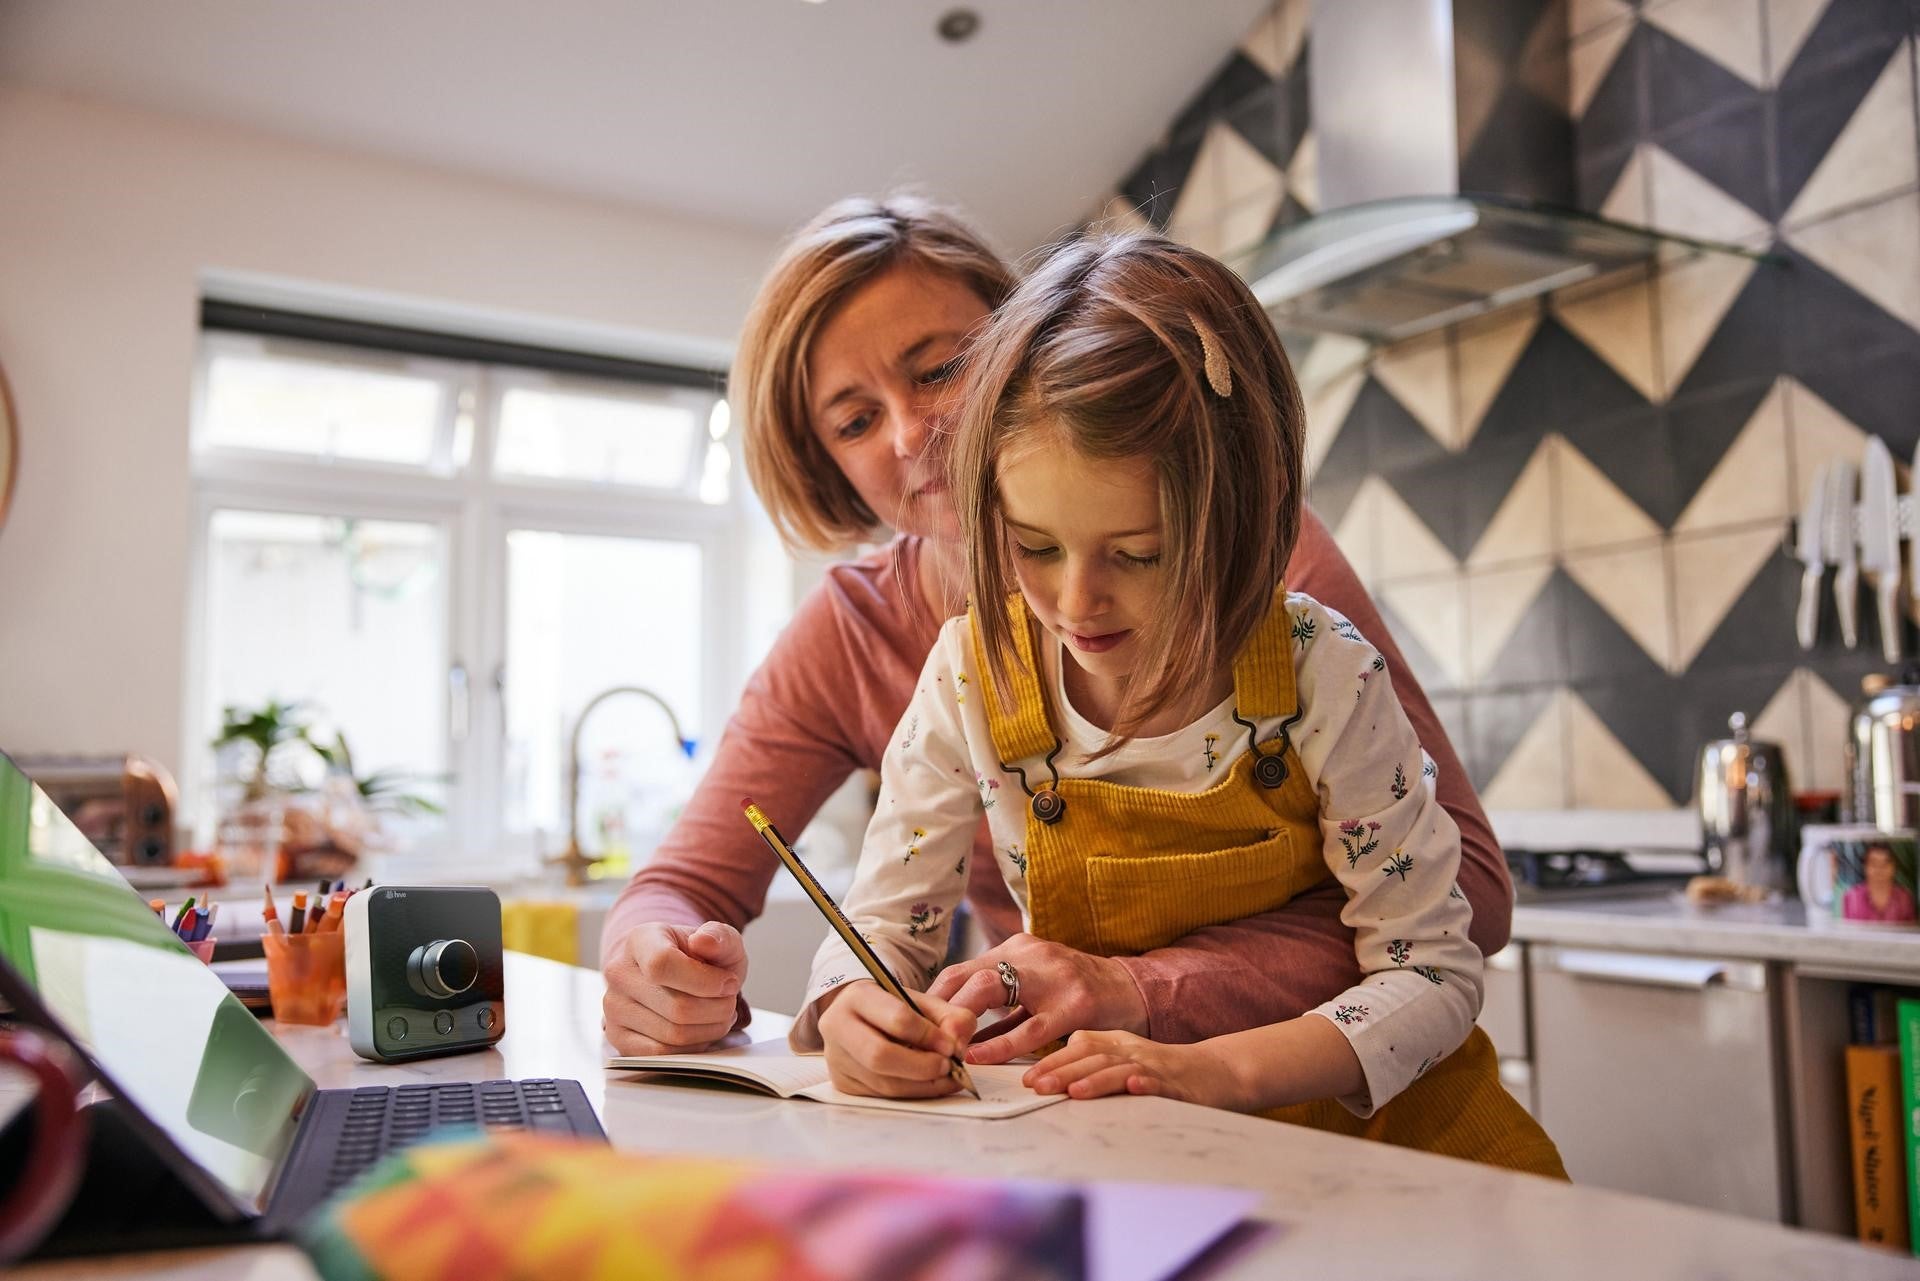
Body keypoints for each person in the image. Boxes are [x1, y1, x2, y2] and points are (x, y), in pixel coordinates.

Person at [600, 193, 1512, 1075]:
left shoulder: (1228, 552)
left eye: (938, 368)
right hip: (1075, 1099)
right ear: (825, 461)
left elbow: (1462, 897)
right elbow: (689, 882)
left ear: (1028, 347)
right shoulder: (867, 636)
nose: (915, 434)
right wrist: (655, 962)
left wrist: (1138, 989)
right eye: (855, 419)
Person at [795, 231, 1563, 1176]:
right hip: (1160, 1155)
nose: (1077, 602)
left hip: (1407, 1152)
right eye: (1034, 546)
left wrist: (1215, 1069)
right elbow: (881, 926)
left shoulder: (1323, 673)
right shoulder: (971, 676)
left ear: (1244, 514)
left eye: (1141, 553)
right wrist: (853, 1009)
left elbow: (1437, 971)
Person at [1841, 841, 1917, 924]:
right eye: (1873, 863)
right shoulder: (1852, 897)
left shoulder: (1904, 898)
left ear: (1894, 867)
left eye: (1885, 863)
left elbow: (1910, 933)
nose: (1879, 869)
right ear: (1865, 867)